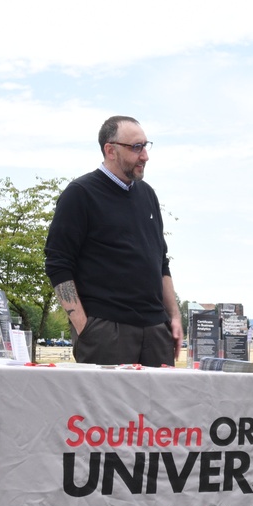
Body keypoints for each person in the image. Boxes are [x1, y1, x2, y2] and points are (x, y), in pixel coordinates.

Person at [44, 115, 183, 366]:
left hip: (156, 332)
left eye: (145, 145)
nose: (145, 156)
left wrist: (173, 317)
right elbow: (58, 264)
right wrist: (84, 328)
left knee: (160, 406)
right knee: (105, 407)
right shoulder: (80, 194)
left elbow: (161, 262)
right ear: (110, 150)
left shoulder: (147, 195)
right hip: (107, 333)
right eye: (136, 147)